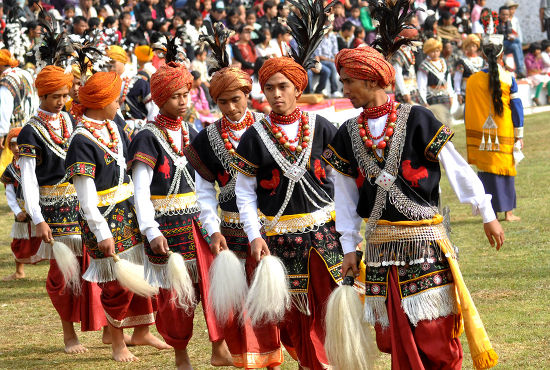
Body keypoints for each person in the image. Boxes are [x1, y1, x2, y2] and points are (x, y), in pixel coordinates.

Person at [323, 41, 503, 369]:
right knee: (393, 337)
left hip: (424, 245)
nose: (344, 88)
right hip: (379, 249)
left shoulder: (418, 118)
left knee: (435, 333)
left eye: (349, 81)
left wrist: (486, 212)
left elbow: (457, 167)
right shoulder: (348, 132)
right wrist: (349, 246)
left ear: (371, 80)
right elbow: (345, 197)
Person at [232, 3, 344, 366]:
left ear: (298, 88)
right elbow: (245, 193)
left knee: (334, 310)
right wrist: (253, 236)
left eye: (283, 86)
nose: (276, 94)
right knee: (293, 320)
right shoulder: (253, 136)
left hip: (327, 236)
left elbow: (345, 183)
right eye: (269, 88)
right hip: (278, 241)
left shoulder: (323, 127)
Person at [128, 62, 232, 368]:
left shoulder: (191, 131)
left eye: (186, 94)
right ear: (160, 99)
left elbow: (205, 183)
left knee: (211, 288)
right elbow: (140, 190)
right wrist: (150, 230)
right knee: (175, 298)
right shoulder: (146, 137)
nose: (184, 101)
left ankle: (219, 348)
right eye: (176, 96)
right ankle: (180, 354)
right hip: (166, 229)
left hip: (198, 224)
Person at [184, 55, 283, 369]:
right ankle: (247, 359)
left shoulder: (270, 129)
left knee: (272, 298)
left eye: (236, 100)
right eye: (222, 102)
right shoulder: (207, 139)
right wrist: (212, 230)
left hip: (272, 229)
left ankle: (273, 358)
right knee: (240, 304)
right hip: (231, 233)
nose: (230, 108)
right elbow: (203, 193)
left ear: (248, 95)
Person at [65, 71, 170, 362]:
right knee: (117, 284)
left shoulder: (113, 126)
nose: (119, 103)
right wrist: (102, 234)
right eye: (115, 99)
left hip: (127, 213)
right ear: (101, 102)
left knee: (142, 272)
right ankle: (116, 343)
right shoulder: (81, 141)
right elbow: (86, 197)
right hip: (103, 220)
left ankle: (141, 332)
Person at [18, 65, 105, 354]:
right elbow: (28, 179)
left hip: (81, 206)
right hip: (53, 213)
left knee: (97, 266)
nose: (60, 101)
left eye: (65, 95)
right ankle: (69, 336)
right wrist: (37, 218)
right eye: (55, 96)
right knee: (63, 277)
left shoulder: (70, 119)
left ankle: (109, 330)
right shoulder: (30, 131)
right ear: (41, 94)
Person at [465, 34, 524, 222]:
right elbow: (517, 108)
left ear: (482, 55)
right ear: (502, 54)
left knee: (486, 172)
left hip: (482, 133)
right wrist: (519, 133)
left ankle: (493, 213)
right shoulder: (508, 77)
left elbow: (469, 110)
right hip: (503, 131)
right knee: (505, 169)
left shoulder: (472, 80)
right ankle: (508, 213)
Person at [1, 128, 42, 281]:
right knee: (19, 240)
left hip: (39, 208)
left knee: (47, 239)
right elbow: (10, 193)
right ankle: (19, 271)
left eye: (20, 144)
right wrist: (17, 211)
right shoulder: (10, 170)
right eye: (12, 145)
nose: (17, 148)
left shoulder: (37, 164)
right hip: (22, 210)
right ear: (9, 148)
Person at [0, 49, 37, 175]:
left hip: (15, 129)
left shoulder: (6, 82)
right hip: (30, 123)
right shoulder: (25, 73)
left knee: (11, 166)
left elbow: (4, 109)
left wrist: (2, 134)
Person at [107, 45, 158, 134]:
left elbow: (153, 110)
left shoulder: (138, 83)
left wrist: (151, 132)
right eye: (107, 64)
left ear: (123, 61)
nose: (110, 66)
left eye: (112, 62)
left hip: (138, 130)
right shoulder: (105, 85)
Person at [417, 38, 455, 124]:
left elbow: (448, 82)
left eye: (437, 51)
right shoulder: (424, 66)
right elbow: (421, 86)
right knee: (436, 123)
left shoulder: (444, 62)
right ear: (427, 51)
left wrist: (451, 95)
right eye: (432, 51)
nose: (435, 53)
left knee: (447, 122)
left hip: (445, 97)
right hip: (432, 97)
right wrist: (424, 102)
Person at [454, 34, 485, 105]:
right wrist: (458, 94)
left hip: (480, 91)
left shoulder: (482, 61)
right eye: (469, 46)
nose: (471, 48)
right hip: (466, 91)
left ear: (477, 47)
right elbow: (457, 79)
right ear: (466, 47)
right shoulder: (462, 61)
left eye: (474, 46)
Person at [392, 28, 420, 104]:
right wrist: (404, 92)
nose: (416, 40)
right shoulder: (398, 53)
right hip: (404, 92)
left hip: (413, 90)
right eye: (414, 38)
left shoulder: (409, 51)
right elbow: (397, 74)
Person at [497, 6, 526, 78]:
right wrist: (508, 37)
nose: (505, 16)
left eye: (507, 15)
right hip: (499, 45)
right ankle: (521, 68)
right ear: (499, 14)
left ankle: (519, 70)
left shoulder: (508, 22)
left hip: (507, 44)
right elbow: (497, 37)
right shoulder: (496, 23)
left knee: (515, 46)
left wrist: (511, 37)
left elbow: (509, 34)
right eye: (503, 14)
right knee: (517, 41)